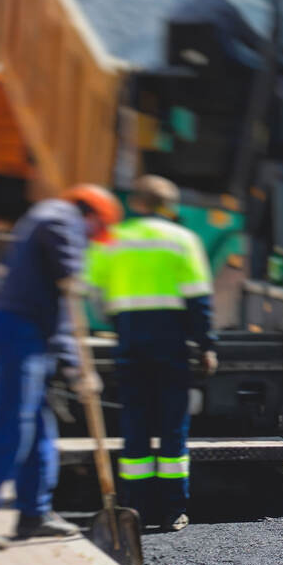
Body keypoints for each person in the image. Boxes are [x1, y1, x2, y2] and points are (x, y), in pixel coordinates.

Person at [0, 184, 123, 549]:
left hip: (32, 333)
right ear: (91, 215)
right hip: (18, 332)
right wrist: (75, 273)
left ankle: (34, 514)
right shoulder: (60, 218)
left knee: (42, 425)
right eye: (96, 231)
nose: (93, 240)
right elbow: (69, 290)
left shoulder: (55, 219)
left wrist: (75, 366)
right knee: (11, 426)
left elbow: (61, 311)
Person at [85, 175, 217, 532]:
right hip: (170, 345)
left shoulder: (111, 240)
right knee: (173, 428)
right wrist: (206, 344)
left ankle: (136, 509)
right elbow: (198, 299)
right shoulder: (183, 240)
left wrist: (111, 319)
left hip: (130, 342)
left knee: (135, 427)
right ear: (169, 207)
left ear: (137, 203)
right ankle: (173, 510)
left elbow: (92, 290)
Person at [168, 0, 265, 61]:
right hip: (223, 70)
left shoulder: (179, 7)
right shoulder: (224, 7)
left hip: (184, 69)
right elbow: (251, 40)